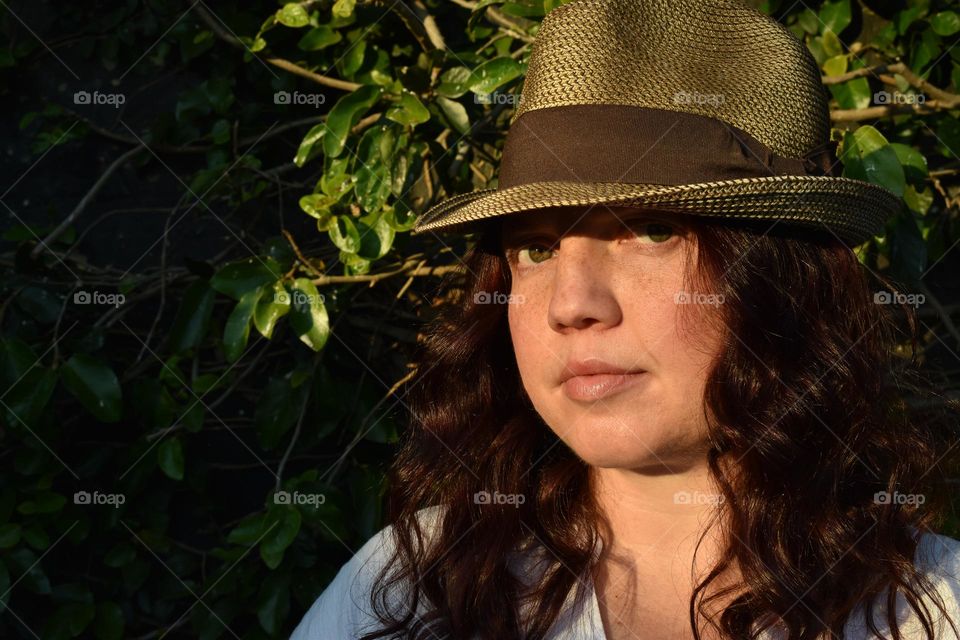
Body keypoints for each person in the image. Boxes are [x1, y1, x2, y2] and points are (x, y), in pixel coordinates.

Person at [292, 0, 960, 638]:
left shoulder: (936, 605)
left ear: (782, 278)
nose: (571, 303)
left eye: (651, 230)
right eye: (537, 247)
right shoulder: (411, 589)